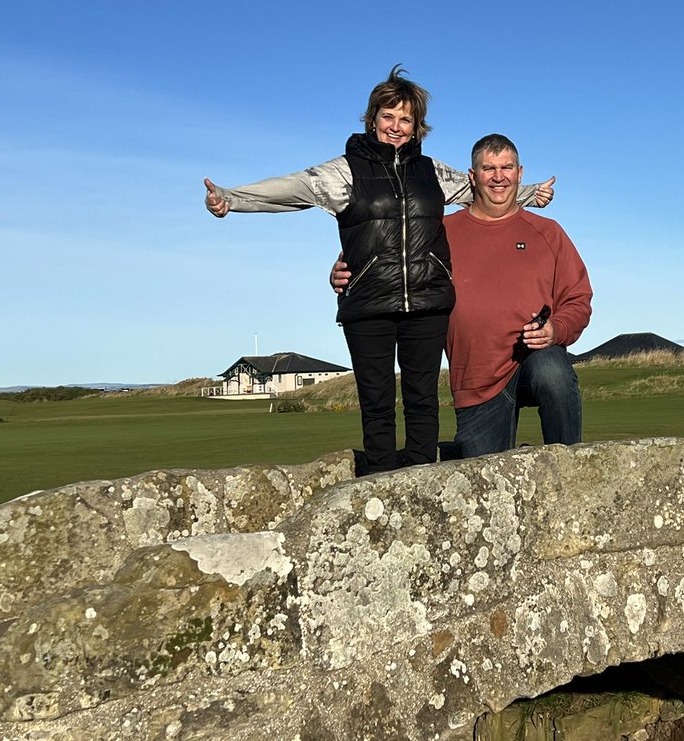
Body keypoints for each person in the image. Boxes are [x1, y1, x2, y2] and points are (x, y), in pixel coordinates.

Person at [204, 68, 554, 475]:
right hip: (368, 304)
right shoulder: (345, 171)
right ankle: (380, 487)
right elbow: (294, 188)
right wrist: (233, 199)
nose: (396, 126)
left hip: (427, 302)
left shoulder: (430, 173)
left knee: (422, 401)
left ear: (416, 126)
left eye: (405, 119)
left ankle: (422, 490)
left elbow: (482, 186)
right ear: (372, 119)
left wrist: (532, 194)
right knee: (377, 403)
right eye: (388, 116)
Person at [334, 134, 592, 457]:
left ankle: (571, 470)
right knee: (484, 482)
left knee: (553, 370)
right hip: (476, 382)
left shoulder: (549, 232)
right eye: (488, 168)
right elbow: (390, 256)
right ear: (472, 176)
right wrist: (348, 267)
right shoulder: (440, 230)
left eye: (506, 167)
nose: (499, 177)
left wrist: (557, 329)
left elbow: (578, 299)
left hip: (532, 361)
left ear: (520, 173)